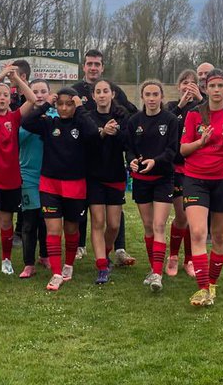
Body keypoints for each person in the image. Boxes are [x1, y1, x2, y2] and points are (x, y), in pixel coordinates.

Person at [180, 69, 223, 306]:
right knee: (198, 233)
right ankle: (203, 289)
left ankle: (213, 284)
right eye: (212, 86)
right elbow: (183, 150)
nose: (216, 90)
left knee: (219, 235)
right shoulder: (194, 115)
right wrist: (201, 141)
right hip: (195, 179)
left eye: (221, 86)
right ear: (205, 89)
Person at [21, 87, 97, 291]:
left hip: (75, 185)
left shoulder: (81, 123)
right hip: (50, 184)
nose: (64, 108)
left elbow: (93, 134)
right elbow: (26, 122)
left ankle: (68, 265)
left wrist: (80, 109)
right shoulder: (48, 124)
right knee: (53, 230)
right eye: (60, 103)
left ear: (75, 105)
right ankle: (55, 273)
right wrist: (45, 103)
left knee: (71, 229)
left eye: (69, 104)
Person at [70, 49, 137, 266]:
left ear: (102, 67)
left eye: (97, 64)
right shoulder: (76, 91)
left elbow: (132, 115)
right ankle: (81, 245)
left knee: (114, 216)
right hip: (87, 162)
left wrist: (122, 118)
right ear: (83, 66)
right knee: (90, 209)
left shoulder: (114, 90)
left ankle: (118, 248)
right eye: (89, 63)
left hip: (114, 165)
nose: (93, 67)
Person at [0, 67, 37, 285]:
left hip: (11, 179)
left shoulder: (14, 117)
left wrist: (16, 80)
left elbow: (31, 99)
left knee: (6, 222)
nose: (1, 98)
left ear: (9, 98)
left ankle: (6, 260)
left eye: (5, 94)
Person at [124, 78, 181, 292]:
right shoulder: (134, 121)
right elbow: (128, 148)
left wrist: (154, 161)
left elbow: (172, 151)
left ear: (161, 97)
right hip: (141, 181)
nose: (151, 98)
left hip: (163, 179)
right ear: (142, 97)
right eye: (147, 95)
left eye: (155, 94)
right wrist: (131, 161)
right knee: (148, 227)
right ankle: (153, 267)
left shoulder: (170, 120)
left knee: (159, 225)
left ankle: (157, 274)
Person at [83, 79, 130, 285]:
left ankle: (107, 252)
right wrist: (102, 132)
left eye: (105, 91)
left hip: (115, 175)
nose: (102, 95)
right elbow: (86, 144)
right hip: (93, 177)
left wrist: (118, 130)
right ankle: (101, 266)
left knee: (113, 225)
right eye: (98, 92)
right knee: (98, 222)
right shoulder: (87, 117)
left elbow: (128, 143)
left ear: (112, 94)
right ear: (93, 96)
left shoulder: (121, 116)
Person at [164, 69, 202, 277]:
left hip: (196, 168)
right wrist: (180, 105)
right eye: (184, 82)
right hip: (176, 167)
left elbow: (210, 120)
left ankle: (189, 259)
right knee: (181, 216)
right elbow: (167, 124)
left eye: (192, 82)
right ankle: (173, 257)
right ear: (178, 86)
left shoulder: (201, 107)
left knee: (191, 217)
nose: (188, 85)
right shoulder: (171, 107)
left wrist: (199, 99)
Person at [15, 79, 52, 278]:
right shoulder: (24, 117)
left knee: (46, 220)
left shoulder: (55, 116)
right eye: (34, 91)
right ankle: (28, 263)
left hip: (50, 177)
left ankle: (45, 255)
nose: (39, 95)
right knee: (29, 221)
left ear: (49, 93)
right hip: (28, 176)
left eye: (43, 91)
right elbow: (19, 138)